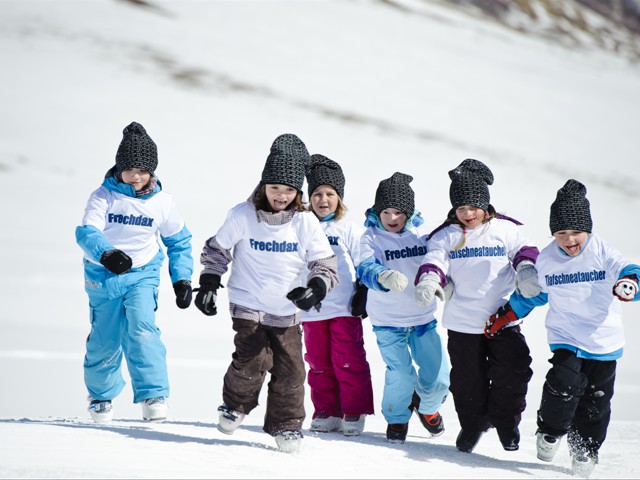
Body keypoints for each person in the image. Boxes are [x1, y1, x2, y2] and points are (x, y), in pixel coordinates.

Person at [194, 133, 339, 453]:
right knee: (253, 359)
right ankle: (234, 405)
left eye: (289, 190)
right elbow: (217, 250)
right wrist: (208, 283)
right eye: (275, 188)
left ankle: (286, 426)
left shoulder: (304, 221)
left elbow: (325, 264)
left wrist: (315, 290)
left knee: (291, 369)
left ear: (297, 192)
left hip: (286, 309)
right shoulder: (243, 214)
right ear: (263, 186)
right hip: (247, 302)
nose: (281, 195)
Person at [486, 179, 640, 478]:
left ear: (589, 230)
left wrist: (630, 286)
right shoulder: (547, 260)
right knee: (563, 385)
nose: (569, 240)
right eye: (561, 233)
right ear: (553, 233)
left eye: (576, 232)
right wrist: (505, 316)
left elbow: (629, 271)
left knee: (597, 400)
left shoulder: (601, 251)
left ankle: (585, 447)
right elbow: (532, 295)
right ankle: (551, 430)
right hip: (566, 337)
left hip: (604, 342)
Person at [413, 158, 539, 453]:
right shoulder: (446, 235)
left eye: (473, 207)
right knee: (467, 382)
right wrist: (430, 281)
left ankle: (507, 424)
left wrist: (526, 270)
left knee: (513, 372)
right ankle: (473, 425)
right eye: (461, 208)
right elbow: (434, 260)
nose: (468, 214)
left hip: (502, 319)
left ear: (485, 205)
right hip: (462, 323)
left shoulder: (504, 229)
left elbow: (525, 250)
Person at [75, 121, 194, 424]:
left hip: (143, 272)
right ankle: (101, 397)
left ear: (152, 171)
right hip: (104, 274)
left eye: (144, 170)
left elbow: (179, 242)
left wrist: (182, 279)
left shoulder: (162, 202)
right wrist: (107, 254)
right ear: (120, 168)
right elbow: (87, 232)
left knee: (142, 328)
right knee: (106, 338)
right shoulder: (104, 196)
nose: (137, 177)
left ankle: (154, 394)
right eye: (131, 170)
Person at [355, 172, 450, 444]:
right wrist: (382, 276)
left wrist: (445, 282)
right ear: (377, 211)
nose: (392, 218)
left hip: (422, 319)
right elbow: (364, 267)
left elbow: (438, 260)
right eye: (385, 211)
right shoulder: (371, 237)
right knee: (401, 374)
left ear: (409, 212)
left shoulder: (422, 234)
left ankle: (427, 407)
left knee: (439, 377)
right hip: (388, 322)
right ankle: (397, 418)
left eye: (398, 212)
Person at [301, 154, 375, 437]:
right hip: (313, 309)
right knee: (318, 362)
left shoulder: (347, 229)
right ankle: (327, 410)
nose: (323, 199)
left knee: (348, 359)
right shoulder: (303, 226)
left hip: (344, 307)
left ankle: (353, 409)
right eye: (317, 193)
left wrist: (364, 291)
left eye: (330, 194)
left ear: (339, 198)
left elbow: (364, 261)